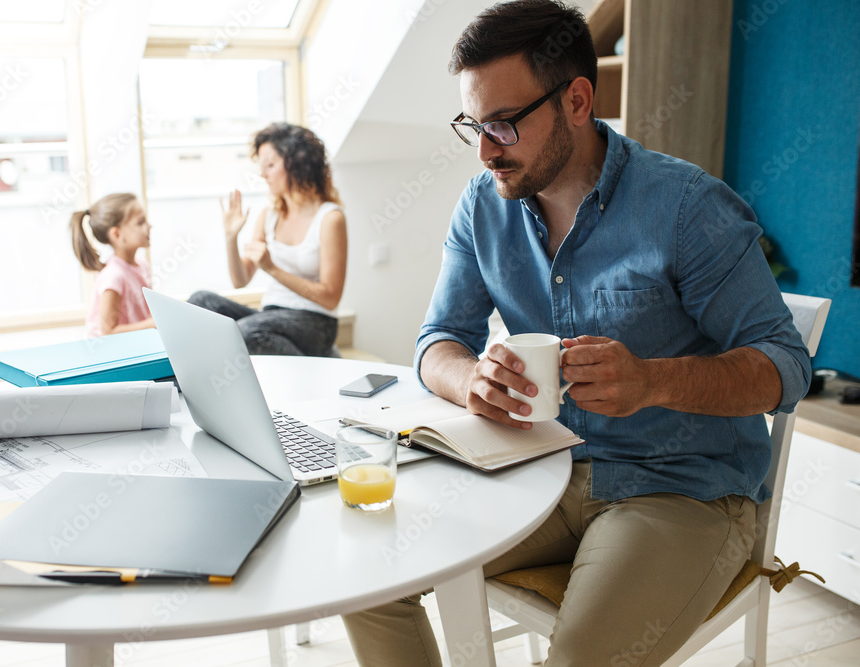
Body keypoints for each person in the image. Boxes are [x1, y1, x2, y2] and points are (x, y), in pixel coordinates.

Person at [342, 1, 811, 666]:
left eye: (502, 125)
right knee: (367, 575)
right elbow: (439, 339)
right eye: (473, 126)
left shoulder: (687, 208)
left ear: (577, 101)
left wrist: (653, 380)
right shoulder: (484, 205)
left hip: (681, 487)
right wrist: (467, 377)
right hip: (540, 472)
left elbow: (784, 366)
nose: (484, 151)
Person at [187, 123, 347, 356]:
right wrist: (231, 237)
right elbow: (240, 280)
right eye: (262, 166)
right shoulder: (268, 216)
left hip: (315, 323)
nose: (263, 174)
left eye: (270, 165)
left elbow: (330, 297)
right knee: (199, 302)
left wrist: (272, 269)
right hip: (270, 315)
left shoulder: (329, 218)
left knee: (246, 332)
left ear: (297, 165)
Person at [70, 193, 155, 337]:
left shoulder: (142, 266)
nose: (149, 226)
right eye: (141, 222)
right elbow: (108, 331)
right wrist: (153, 325)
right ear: (116, 234)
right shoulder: (114, 275)